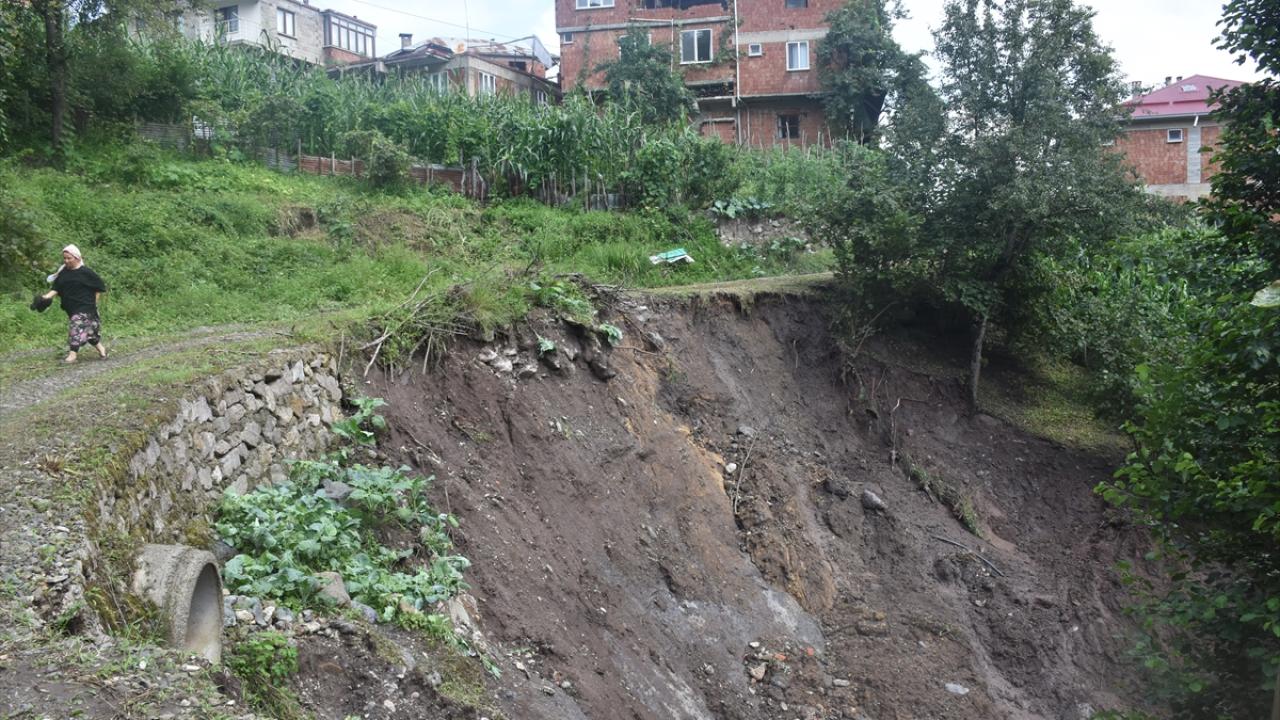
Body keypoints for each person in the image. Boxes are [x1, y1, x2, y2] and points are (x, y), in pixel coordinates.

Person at [35, 244, 108, 363]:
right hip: (71, 307)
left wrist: (93, 304)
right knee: (89, 332)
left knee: (76, 326)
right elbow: (56, 288)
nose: (66, 260)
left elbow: (99, 288)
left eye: (69, 258)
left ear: (77, 258)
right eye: (65, 258)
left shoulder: (86, 272)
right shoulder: (64, 273)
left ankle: (72, 355)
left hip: (86, 306)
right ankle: (101, 349)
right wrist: (45, 297)